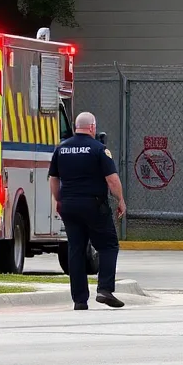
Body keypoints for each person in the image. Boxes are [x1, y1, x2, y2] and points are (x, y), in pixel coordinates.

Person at [48, 111, 127, 310]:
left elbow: (54, 179)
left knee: (76, 249)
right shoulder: (99, 149)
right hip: (93, 205)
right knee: (108, 245)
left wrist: (58, 199)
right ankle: (105, 289)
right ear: (92, 127)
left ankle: (79, 300)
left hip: (69, 205)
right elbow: (112, 180)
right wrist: (120, 200)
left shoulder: (61, 149)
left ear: (76, 127)